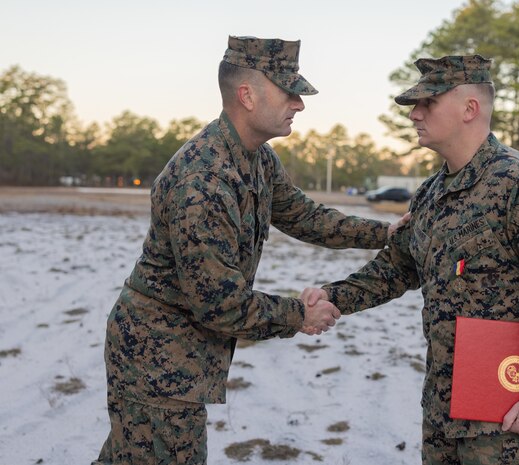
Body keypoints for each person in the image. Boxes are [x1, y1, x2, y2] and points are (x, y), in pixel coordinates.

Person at [92, 35, 408, 464]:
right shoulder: (202, 180)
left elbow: (303, 216)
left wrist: (384, 232)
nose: (299, 104)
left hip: (181, 357)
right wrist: (301, 315)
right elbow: (219, 304)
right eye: (289, 92)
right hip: (157, 359)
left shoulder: (257, 158)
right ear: (247, 95)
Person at [302, 55, 519, 464]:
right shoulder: (430, 193)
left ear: (470, 109)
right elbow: (397, 267)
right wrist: (334, 297)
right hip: (445, 405)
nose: (415, 115)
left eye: (428, 103)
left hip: (509, 416)